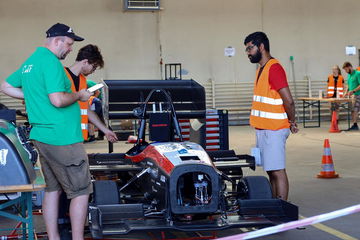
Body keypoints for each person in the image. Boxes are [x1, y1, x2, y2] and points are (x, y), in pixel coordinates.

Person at [0, 23, 115, 240]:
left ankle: (54, 238)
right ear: (57, 40)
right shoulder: (51, 63)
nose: (70, 49)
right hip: (62, 139)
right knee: (81, 192)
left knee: (52, 190)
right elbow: (59, 100)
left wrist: (34, 98)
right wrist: (79, 96)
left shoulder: (31, 62)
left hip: (42, 137)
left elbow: (5, 86)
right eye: (69, 44)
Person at [244, 32, 298, 201]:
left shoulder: (273, 68)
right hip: (264, 128)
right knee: (271, 170)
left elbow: (288, 101)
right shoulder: (262, 69)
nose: (248, 52)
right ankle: (275, 205)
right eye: (246, 49)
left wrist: (292, 121)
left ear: (261, 47)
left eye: (250, 48)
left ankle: (281, 208)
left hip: (274, 129)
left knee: (277, 170)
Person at [64, 44, 116, 142]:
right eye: (94, 67)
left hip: (76, 137)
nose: (93, 71)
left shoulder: (83, 81)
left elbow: (86, 110)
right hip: (61, 136)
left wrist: (106, 130)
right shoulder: (61, 75)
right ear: (85, 62)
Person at [342, 61, 360, 130]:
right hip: (351, 96)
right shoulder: (349, 75)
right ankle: (354, 125)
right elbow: (348, 85)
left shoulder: (358, 73)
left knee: (355, 110)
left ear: (350, 67)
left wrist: (354, 91)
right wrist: (345, 93)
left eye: (346, 69)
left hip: (357, 95)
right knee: (352, 110)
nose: (346, 71)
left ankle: (355, 125)